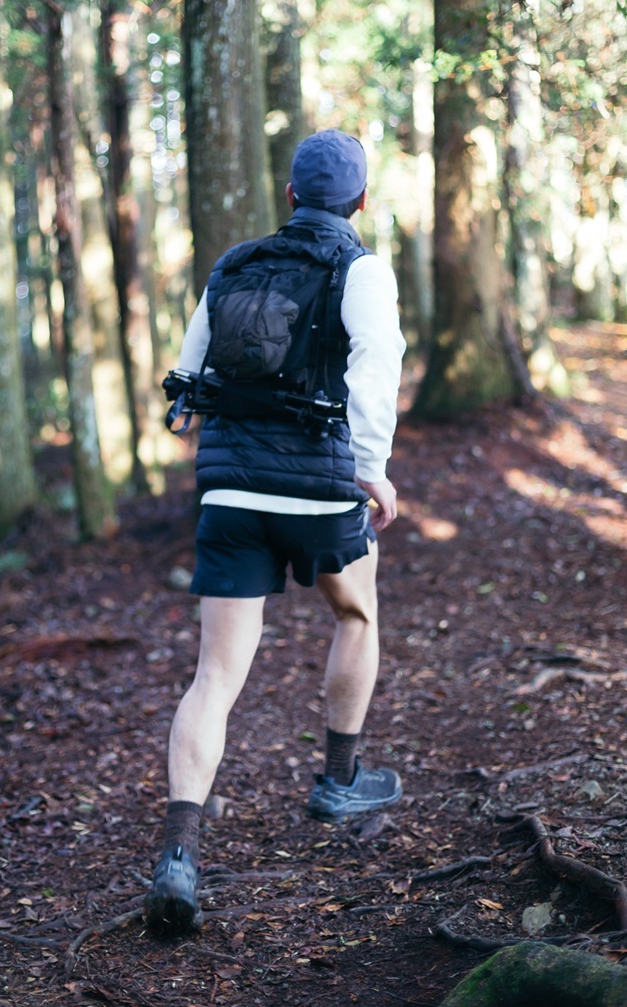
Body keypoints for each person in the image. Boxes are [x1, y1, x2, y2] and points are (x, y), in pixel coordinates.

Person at [146, 129, 406, 934]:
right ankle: (338, 780)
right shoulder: (359, 268)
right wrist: (371, 467)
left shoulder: (234, 264)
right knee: (355, 611)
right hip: (319, 487)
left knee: (214, 676)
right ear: (360, 201)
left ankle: (179, 857)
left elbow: (190, 374)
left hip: (229, 488)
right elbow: (377, 365)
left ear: (291, 195)